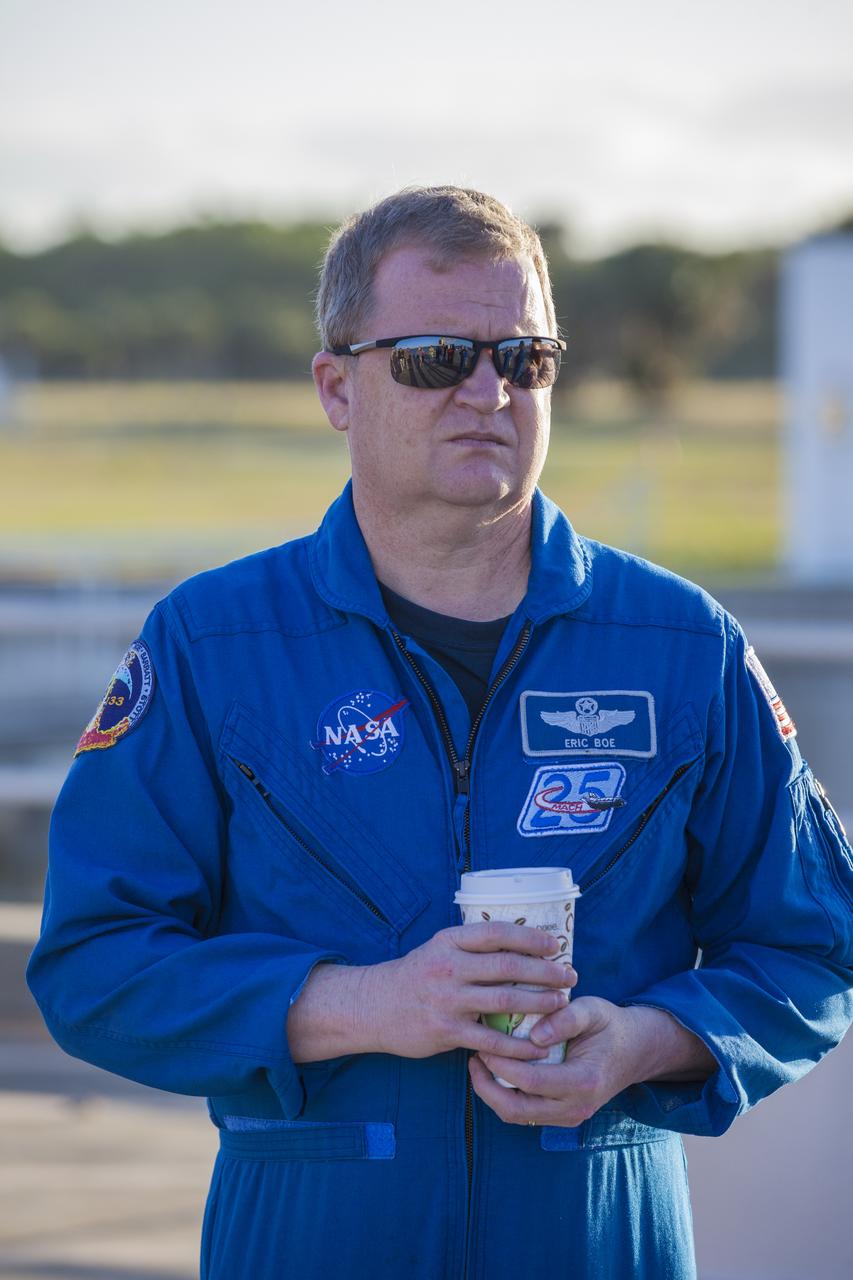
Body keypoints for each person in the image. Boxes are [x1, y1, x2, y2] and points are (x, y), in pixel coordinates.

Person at [28, 186, 853, 1280]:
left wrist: (645, 1042)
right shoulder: (211, 642)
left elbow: (814, 945)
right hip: (312, 1237)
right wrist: (365, 1002)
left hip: (600, 1233)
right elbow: (93, 964)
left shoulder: (679, 642)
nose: (488, 390)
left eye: (525, 357)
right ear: (336, 384)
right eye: (434, 357)